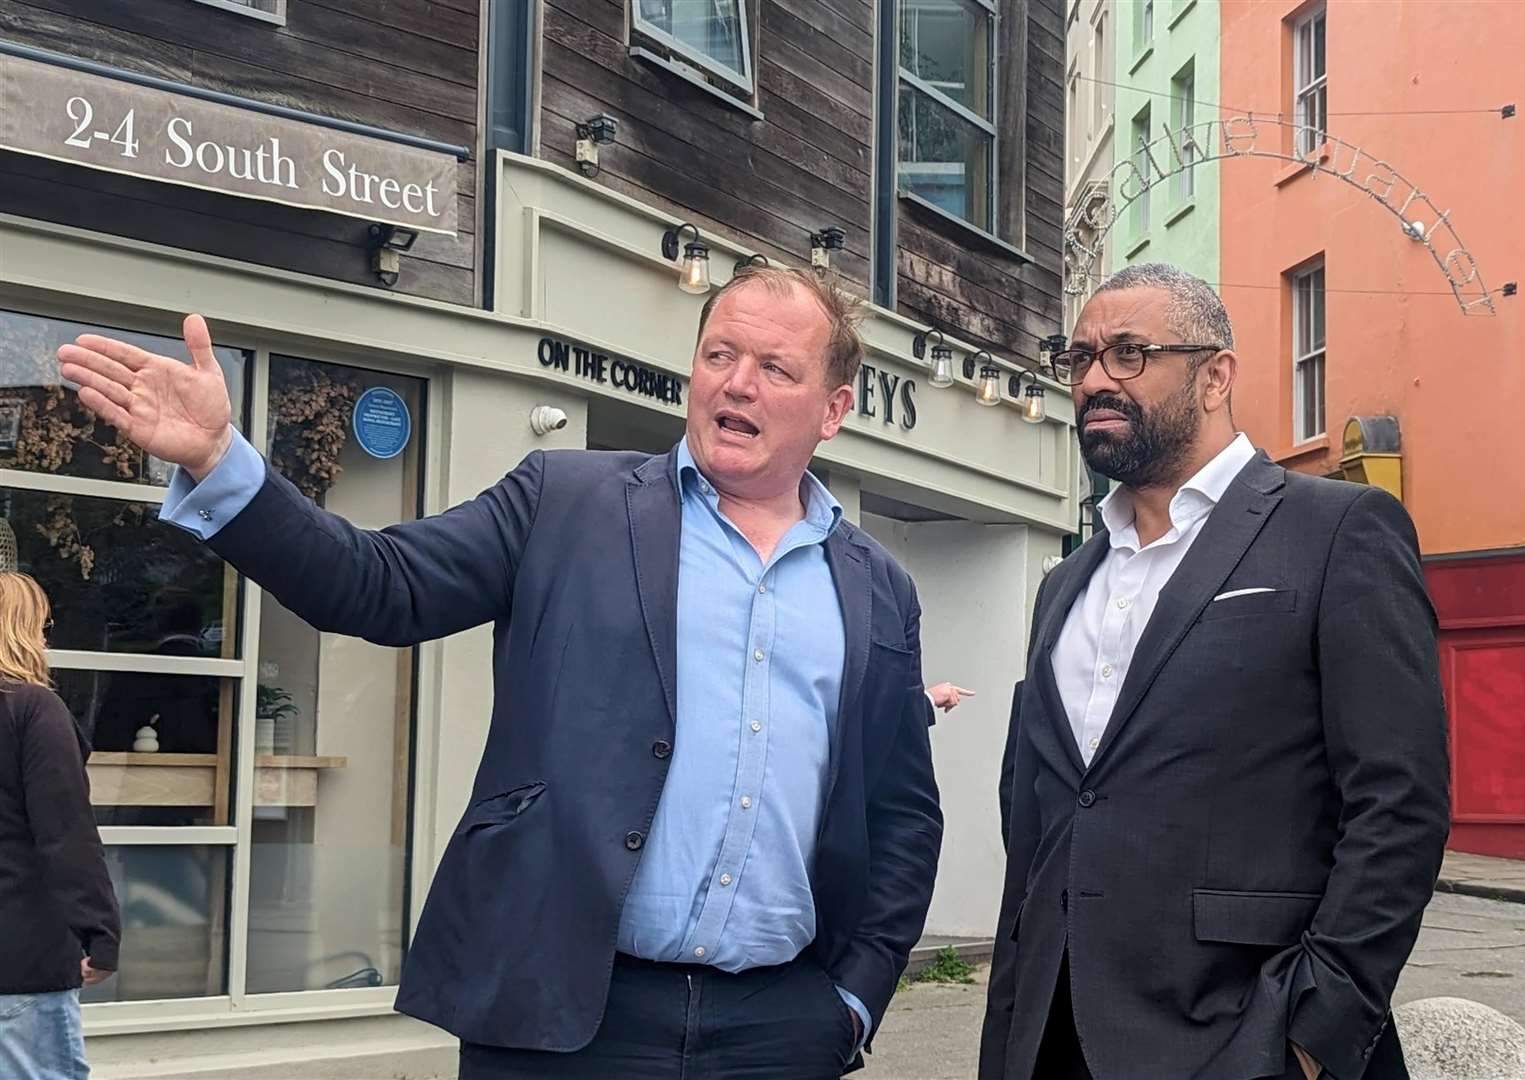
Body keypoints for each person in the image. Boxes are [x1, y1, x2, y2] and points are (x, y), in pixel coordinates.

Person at [58, 265, 942, 1079]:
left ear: (833, 410)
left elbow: (901, 811)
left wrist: (854, 1001)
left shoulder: (876, 587)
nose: (736, 383)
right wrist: (222, 463)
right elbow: (378, 585)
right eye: (719, 353)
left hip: (779, 1029)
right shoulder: (566, 502)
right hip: (566, 1018)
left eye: (774, 369)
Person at [981, 264, 1449, 1080]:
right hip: (1055, 1037)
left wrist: (1312, 1035)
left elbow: (1399, 803)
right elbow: (1038, 823)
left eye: (1129, 353)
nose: (1095, 380)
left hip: (1245, 1034)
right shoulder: (1065, 586)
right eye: (1081, 357)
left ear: (1215, 376)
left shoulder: (1339, 530)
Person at [0, 572, 120, 1080]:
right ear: (23, 628)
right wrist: (101, 933)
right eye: (45, 623)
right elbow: (65, 832)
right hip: (22, 958)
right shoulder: (32, 709)